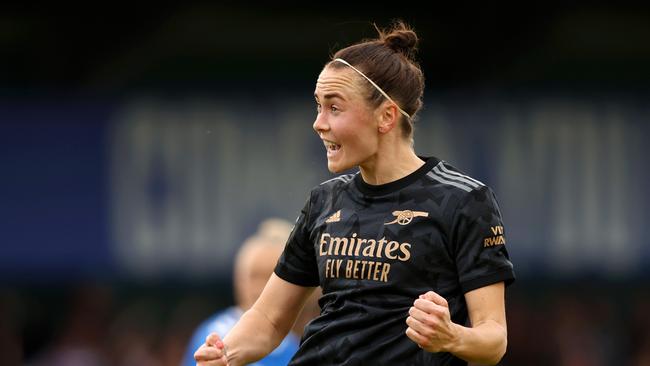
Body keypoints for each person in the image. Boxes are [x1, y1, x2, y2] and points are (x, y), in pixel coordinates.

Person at [195, 20, 515, 366]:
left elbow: (493, 340)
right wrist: (225, 353)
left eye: (334, 107)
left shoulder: (463, 200)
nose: (319, 123)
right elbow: (269, 320)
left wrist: (452, 335)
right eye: (318, 106)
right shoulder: (323, 202)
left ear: (386, 116)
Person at [183, 218, 320, 366]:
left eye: (268, 276)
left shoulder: (295, 346)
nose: (259, 287)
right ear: (238, 280)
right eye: (254, 276)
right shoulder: (214, 339)